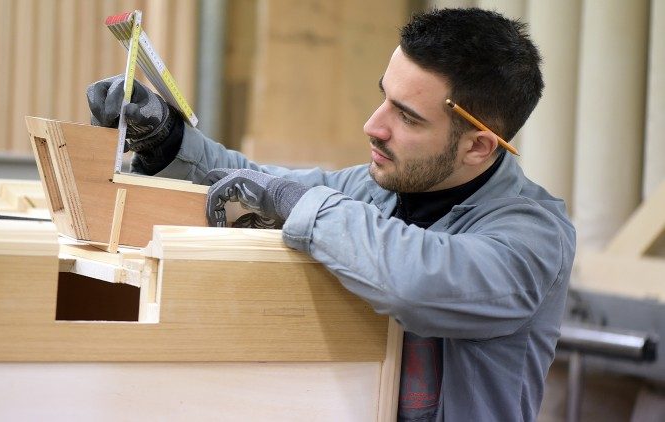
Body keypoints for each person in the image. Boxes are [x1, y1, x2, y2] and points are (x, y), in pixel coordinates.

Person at [87, 8, 575, 421]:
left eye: (407, 116)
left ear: (478, 146)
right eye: (383, 96)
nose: (373, 126)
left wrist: (298, 204)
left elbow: (416, 281)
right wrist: (165, 139)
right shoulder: (374, 188)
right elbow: (252, 181)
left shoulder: (533, 235)